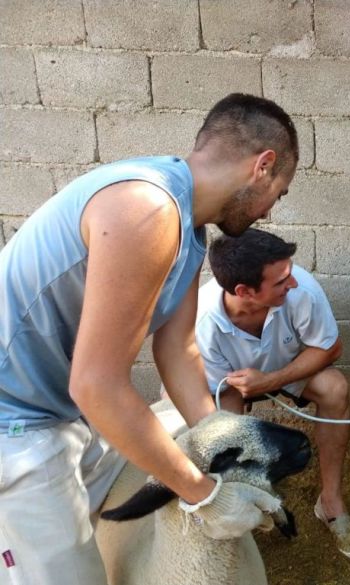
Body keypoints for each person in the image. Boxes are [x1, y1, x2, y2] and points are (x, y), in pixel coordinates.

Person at [0, 93, 298, 585]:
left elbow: (176, 348)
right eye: (279, 194)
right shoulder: (147, 209)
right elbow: (96, 385)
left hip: (59, 411)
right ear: (263, 166)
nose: (268, 212)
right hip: (16, 424)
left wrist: (221, 439)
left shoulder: (189, 228)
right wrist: (206, 494)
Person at [194, 228, 350, 559]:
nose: (294, 282)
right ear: (244, 291)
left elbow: (330, 349)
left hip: (287, 370)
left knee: (335, 388)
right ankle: (247, 504)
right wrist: (243, 401)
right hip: (234, 384)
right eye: (281, 280)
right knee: (221, 428)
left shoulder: (302, 292)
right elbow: (223, 395)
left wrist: (271, 380)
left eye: (289, 273)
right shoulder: (203, 321)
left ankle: (330, 502)